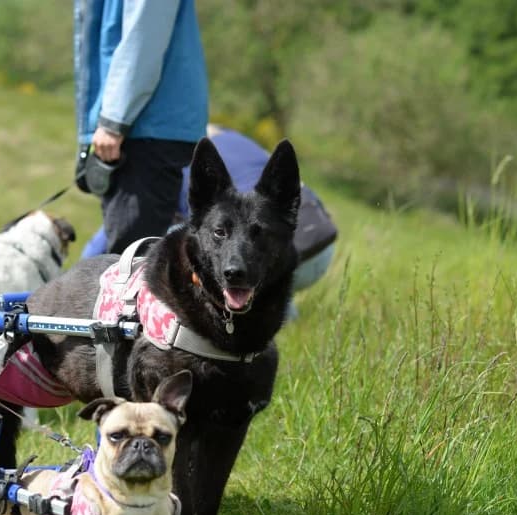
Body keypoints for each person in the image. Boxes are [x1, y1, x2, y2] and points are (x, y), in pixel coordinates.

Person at [81, 125, 339, 319]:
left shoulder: (174, 162)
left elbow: (124, 224)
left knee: (181, 237)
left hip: (280, 256)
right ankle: (281, 314)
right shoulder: (238, 140)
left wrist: (84, 271)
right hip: (320, 247)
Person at [73, 0, 208, 254]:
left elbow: (144, 39)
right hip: (139, 124)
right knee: (130, 257)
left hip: (144, 125)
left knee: (130, 260)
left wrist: (113, 121)